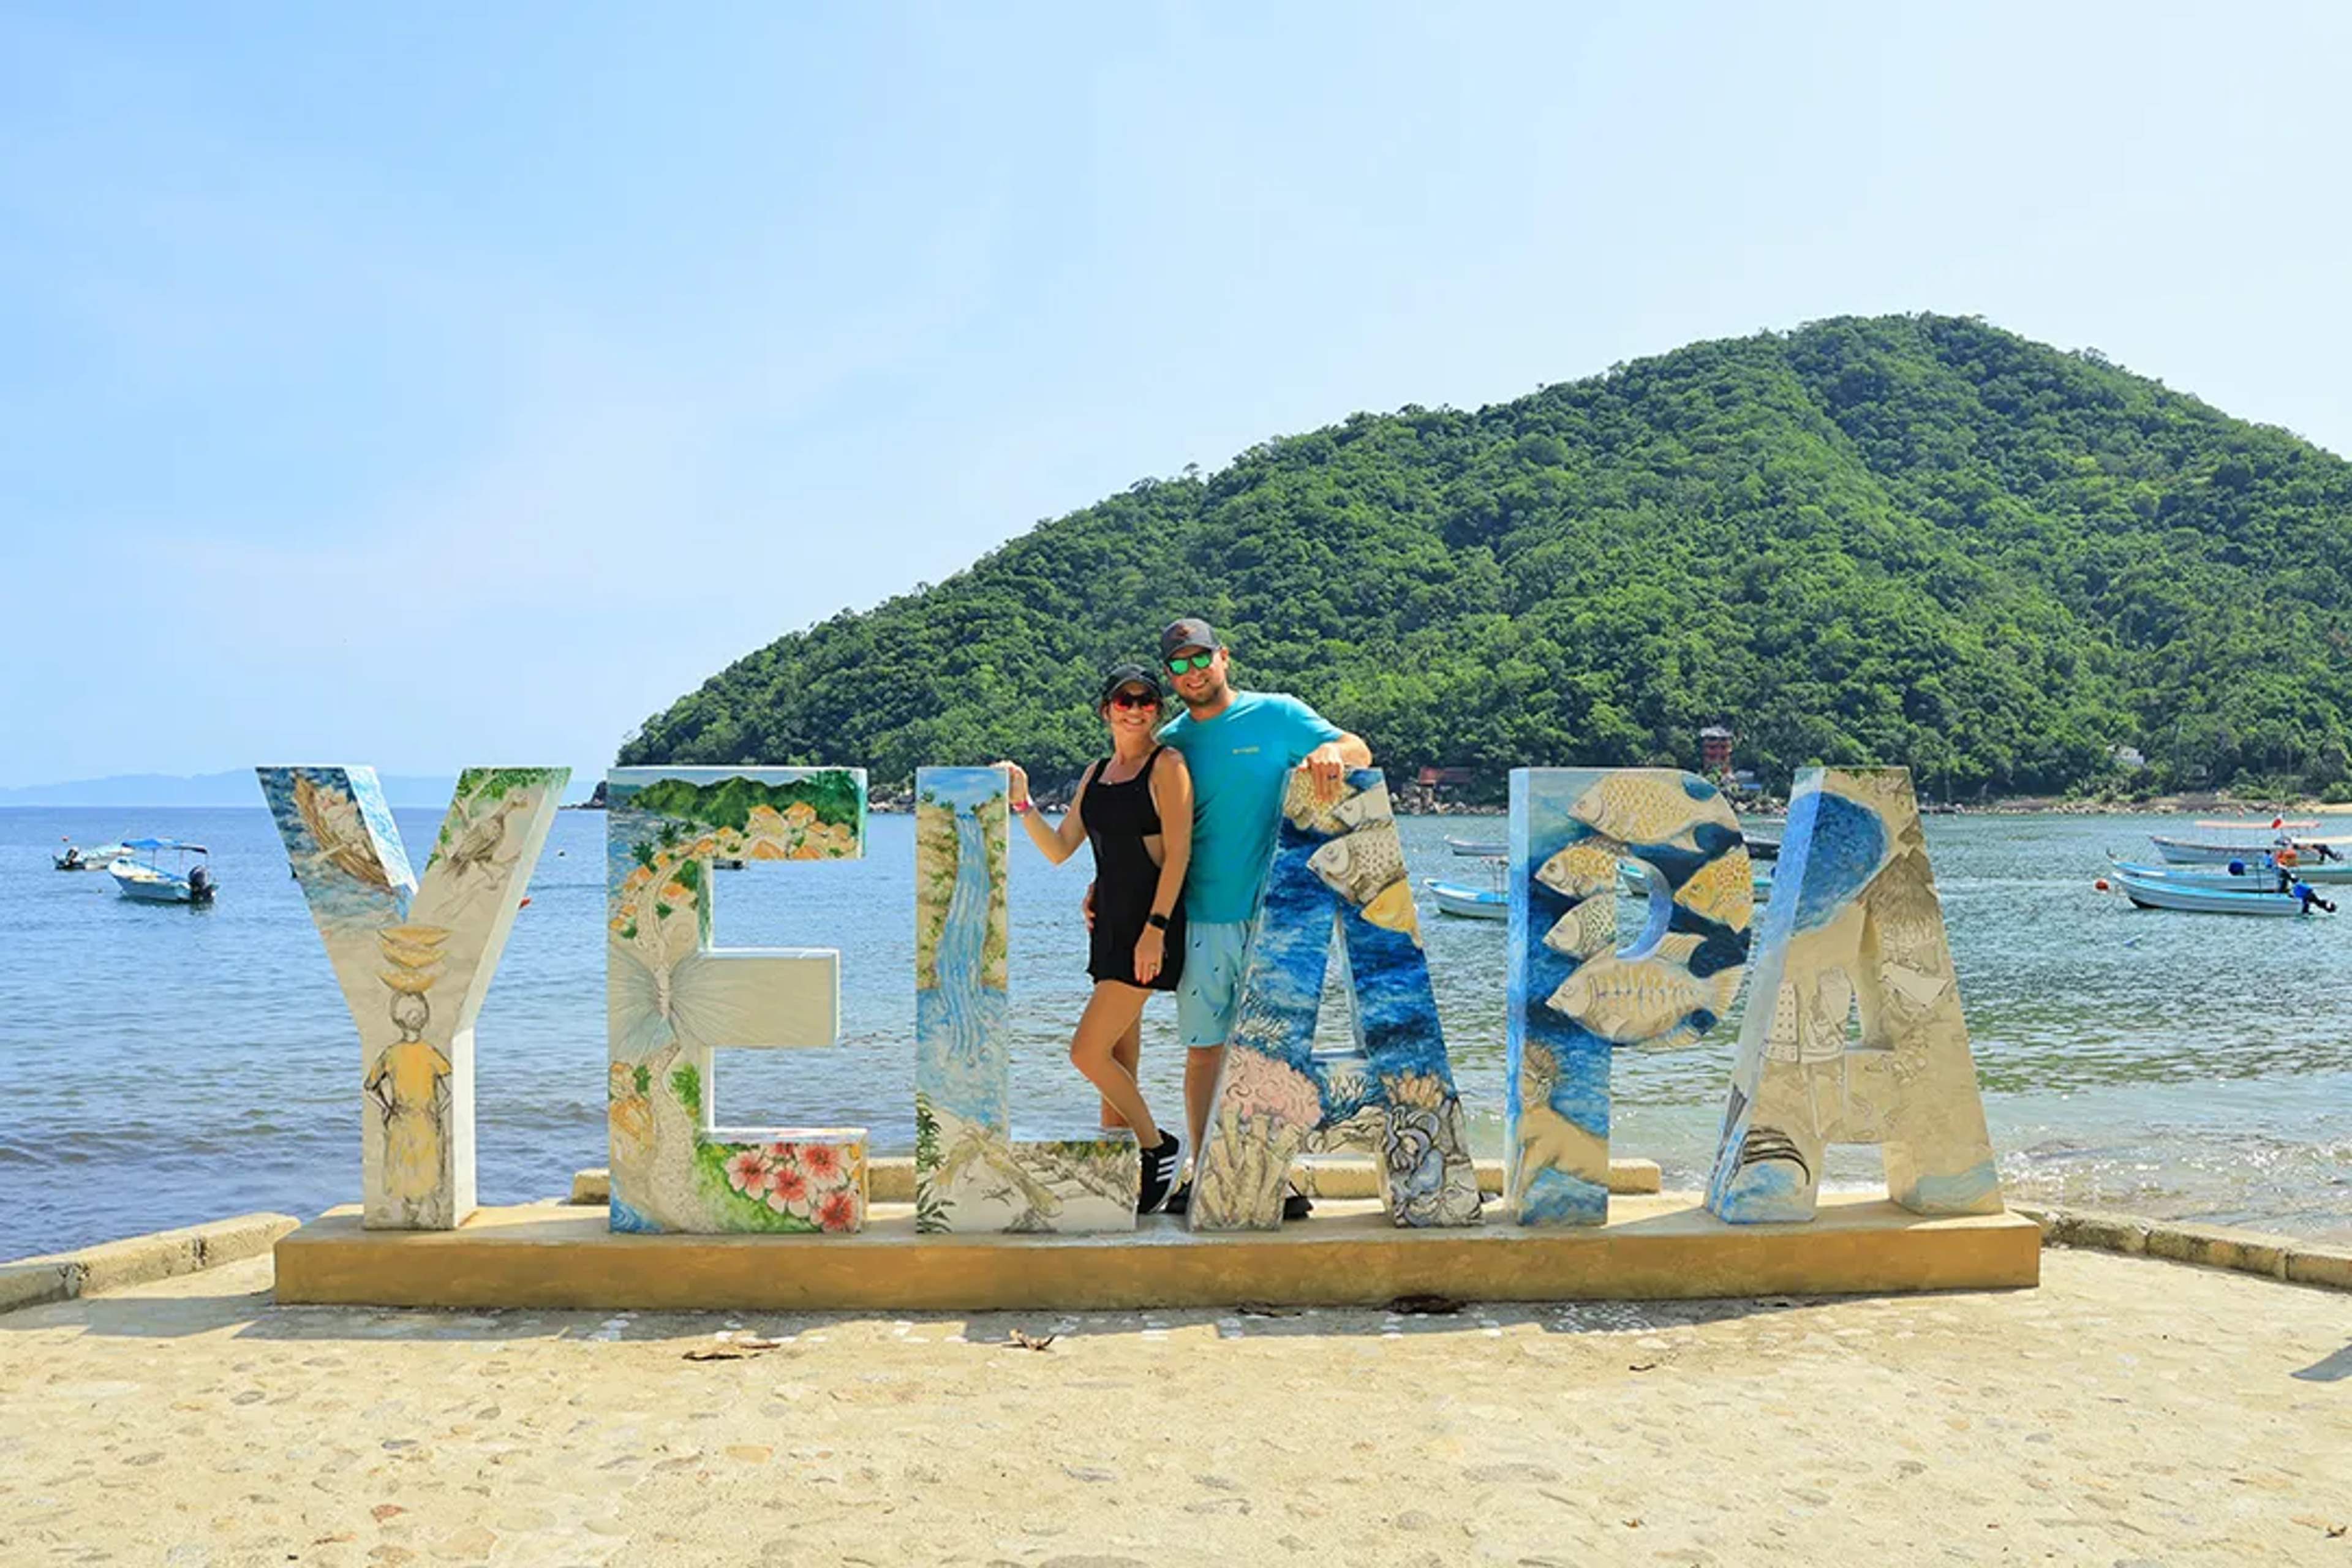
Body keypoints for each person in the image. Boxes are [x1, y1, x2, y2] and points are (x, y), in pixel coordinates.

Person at [1148, 616, 1371, 1219]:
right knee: (1205, 1051)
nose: (1193, 672)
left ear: (1224, 657)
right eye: (1179, 665)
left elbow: (1358, 749)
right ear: (1170, 675)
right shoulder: (1171, 743)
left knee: (1273, 1053)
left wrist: (1330, 751)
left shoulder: (1279, 713)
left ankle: (1275, 1175)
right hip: (1200, 918)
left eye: (1201, 658)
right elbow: (1142, 829)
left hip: (1279, 919)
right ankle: (1206, 1170)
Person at [999, 663, 1191, 1215]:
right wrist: (1022, 802)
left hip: (1149, 931)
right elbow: (1061, 849)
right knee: (1117, 1063)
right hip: (1107, 929)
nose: (1136, 709)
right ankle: (1123, 1181)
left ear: (1157, 709)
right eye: (1124, 700)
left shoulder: (1168, 766)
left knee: (1086, 1052)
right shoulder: (1097, 773)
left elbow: (1179, 854)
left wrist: (1156, 929)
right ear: (1106, 709)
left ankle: (1158, 1147)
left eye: (1147, 700)